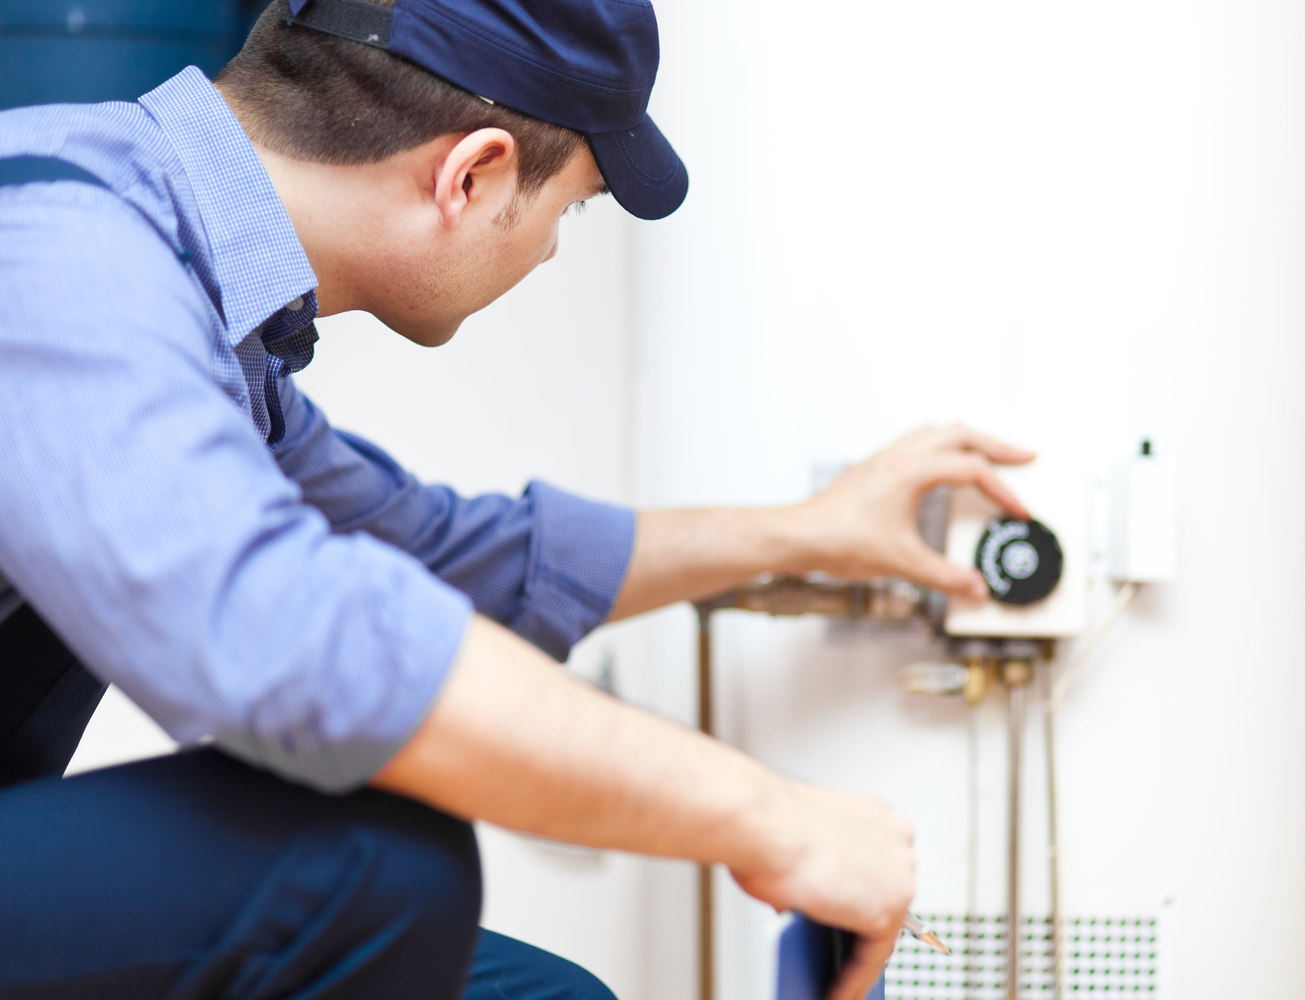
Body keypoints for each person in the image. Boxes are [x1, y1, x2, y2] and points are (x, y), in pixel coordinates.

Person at [0, 1, 1034, 997]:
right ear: (474, 174)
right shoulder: (62, 249)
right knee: (375, 862)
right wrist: (771, 815)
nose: (548, 247)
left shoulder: (198, 299)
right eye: (571, 207)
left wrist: (808, 535)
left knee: (534, 993)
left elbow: (440, 556)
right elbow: (298, 642)